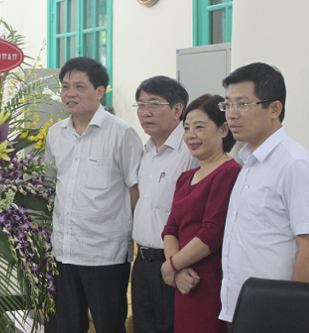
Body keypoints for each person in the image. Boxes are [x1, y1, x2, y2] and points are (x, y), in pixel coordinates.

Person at [218, 63, 309, 330]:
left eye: (242, 104)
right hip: (240, 306)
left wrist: (297, 317)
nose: (232, 114)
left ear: (274, 109)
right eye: (228, 105)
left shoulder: (294, 163)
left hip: (276, 313)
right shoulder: (248, 160)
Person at [44, 57, 142, 333]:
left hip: (105, 254)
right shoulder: (56, 134)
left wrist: (128, 237)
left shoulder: (121, 134)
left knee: (109, 326)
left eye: (79, 86)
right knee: (67, 326)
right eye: (65, 87)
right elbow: (50, 184)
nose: (70, 94)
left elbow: (137, 191)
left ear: (100, 91)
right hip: (65, 251)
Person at [160, 94, 241, 333]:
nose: (190, 135)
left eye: (199, 127)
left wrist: (170, 266)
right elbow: (170, 229)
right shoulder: (186, 177)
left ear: (223, 129)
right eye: (186, 128)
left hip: (208, 282)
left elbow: (212, 233)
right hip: (185, 281)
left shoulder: (229, 172)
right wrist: (176, 270)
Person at [131, 76, 197, 333]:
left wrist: (178, 265)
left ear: (177, 110)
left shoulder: (190, 150)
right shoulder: (146, 151)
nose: (145, 112)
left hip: (176, 264)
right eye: (140, 105)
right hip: (143, 262)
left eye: (154, 104)